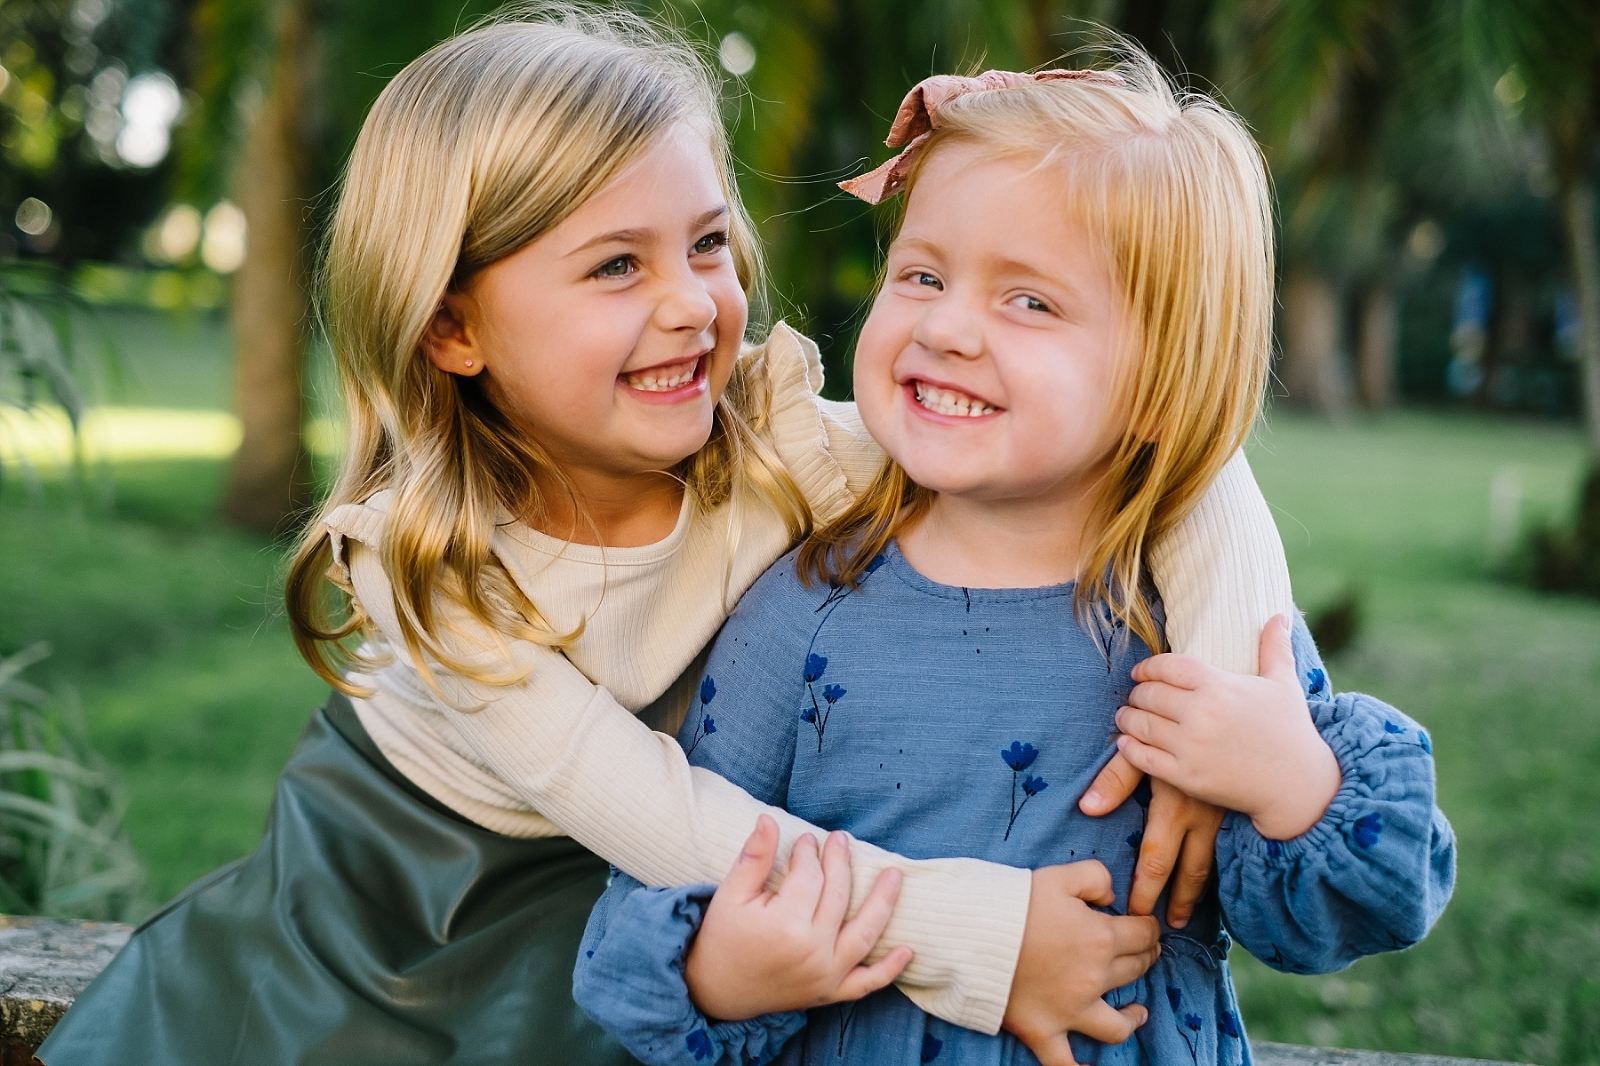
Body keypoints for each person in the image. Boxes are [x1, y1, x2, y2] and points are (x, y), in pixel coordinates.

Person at [41, 13, 1296, 1066]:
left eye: (704, 243)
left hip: (671, 858)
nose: (690, 303)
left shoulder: (768, 438)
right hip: (424, 880)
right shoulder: (437, 580)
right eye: (613, 268)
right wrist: (983, 935)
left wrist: (1224, 708)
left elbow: (1157, 446)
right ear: (452, 330)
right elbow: (660, 815)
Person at [572, 58, 1456, 1066]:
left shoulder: (1200, 633)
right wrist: (722, 971)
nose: (945, 327)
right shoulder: (801, 609)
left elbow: (1367, 903)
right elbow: (662, 895)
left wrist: (1288, 777)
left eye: (1030, 303)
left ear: (1163, 384)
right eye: (923, 275)